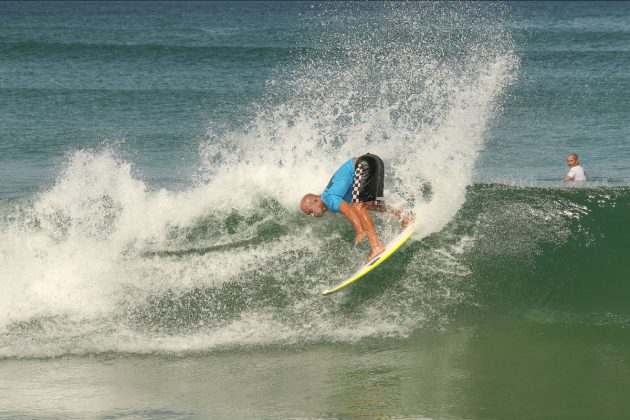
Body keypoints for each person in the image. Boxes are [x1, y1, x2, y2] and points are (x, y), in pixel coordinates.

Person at [300, 153, 413, 262]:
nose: (313, 215)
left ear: (316, 200)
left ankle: (376, 246)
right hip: (374, 160)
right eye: (309, 214)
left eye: (311, 211)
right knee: (369, 205)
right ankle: (404, 217)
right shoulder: (331, 195)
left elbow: (349, 211)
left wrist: (359, 231)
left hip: (363, 164)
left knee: (358, 207)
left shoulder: (328, 198)